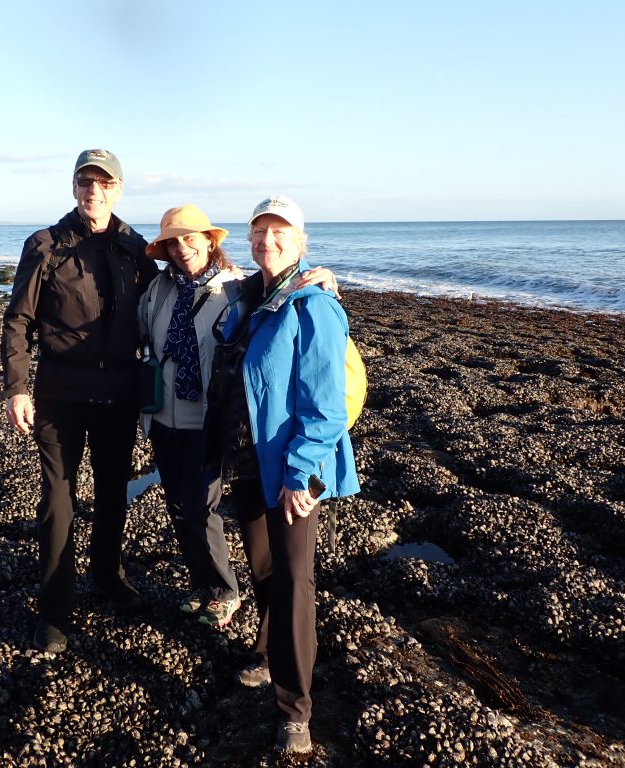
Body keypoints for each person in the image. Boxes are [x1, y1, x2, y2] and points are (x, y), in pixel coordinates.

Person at [203, 195, 359, 754]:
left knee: (295, 583)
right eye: (259, 232)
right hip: (247, 462)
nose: (267, 241)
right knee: (265, 570)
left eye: (279, 233)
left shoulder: (315, 305)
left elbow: (325, 406)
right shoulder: (251, 295)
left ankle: (296, 710)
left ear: (300, 242)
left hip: (295, 468)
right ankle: (269, 656)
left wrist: (299, 474)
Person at [139, 205, 339, 630]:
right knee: (180, 507)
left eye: (190, 238)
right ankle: (208, 585)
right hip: (163, 417)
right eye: (172, 242)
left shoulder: (235, 290)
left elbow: (289, 297)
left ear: (210, 241)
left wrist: (327, 281)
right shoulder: (156, 289)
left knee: (203, 508)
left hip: (212, 422)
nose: (181, 248)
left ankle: (227, 595)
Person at [1, 149, 159, 654]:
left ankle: (108, 575)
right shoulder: (45, 245)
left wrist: (306, 277)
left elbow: (189, 283)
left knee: (114, 493)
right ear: (73, 188)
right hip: (59, 394)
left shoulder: (136, 248)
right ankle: (54, 609)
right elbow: (17, 321)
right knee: (58, 501)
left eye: (104, 183)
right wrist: (17, 388)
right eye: (85, 182)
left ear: (118, 189)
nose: (94, 191)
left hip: (119, 394)